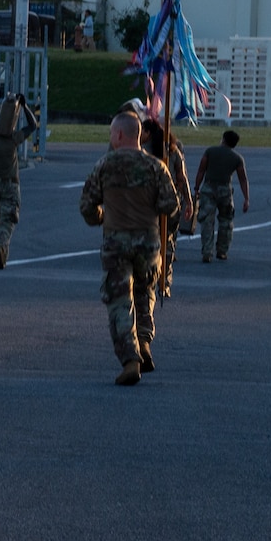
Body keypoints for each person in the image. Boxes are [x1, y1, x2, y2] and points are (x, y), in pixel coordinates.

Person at [78, 112, 178, 386]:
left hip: (116, 242)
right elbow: (171, 206)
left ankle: (130, 358)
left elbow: (87, 207)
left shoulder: (105, 165)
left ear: (120, 135)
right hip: (149, 241)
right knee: (145, 292)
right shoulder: (156, 166)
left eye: (112, 133)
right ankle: (144, 342)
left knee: (120, 300)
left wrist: (103, 216)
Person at [0, 93, 39, 269]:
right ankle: (0, 246)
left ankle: (2, 254)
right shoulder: (11, 139)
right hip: (10, 184)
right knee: (8, 220)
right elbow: (32, 126)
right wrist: (24, 106)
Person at [140, 119, 192, 300]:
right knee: (168, 241)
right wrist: (189, 201)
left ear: (147, 131)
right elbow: (182, 177)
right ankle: (165, 282)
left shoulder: (142, 151)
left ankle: (148, 279)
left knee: (146, 241)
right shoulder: (173, 150)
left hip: (147, 203)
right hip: (171, 202)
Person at [193, 130, 250, 263]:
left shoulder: (210, 151)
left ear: (223, 139)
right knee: (226, 221)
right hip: (225, 190)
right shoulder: (237, 158)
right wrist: (246, 198)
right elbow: (243, 179)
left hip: (209, 189)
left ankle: (207, 252)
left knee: (207, 221)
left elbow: (201, 170)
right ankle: (222, 251)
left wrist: (196, 188)